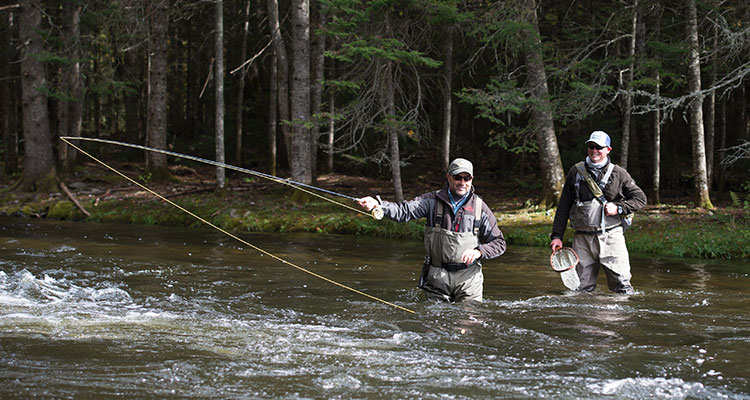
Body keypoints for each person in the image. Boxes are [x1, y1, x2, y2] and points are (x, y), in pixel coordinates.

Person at [357, 158, 506, 302]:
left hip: (469, 280)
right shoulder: (431, 201)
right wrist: (378, 205)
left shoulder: (480, 208)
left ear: (471, 179)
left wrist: (478, 251)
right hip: (437, 278)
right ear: (448, 177)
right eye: (457, 177)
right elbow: (403, 211)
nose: (462, 182)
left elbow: (499, 243)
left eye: (466, 178)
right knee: (435, 324)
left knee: (467, 322)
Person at [549, 131, 647, 294]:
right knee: (580, 289)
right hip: (581, 240)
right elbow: (564, 206)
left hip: (611, 236)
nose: (594, 150)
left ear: (608, 149)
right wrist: (557, 236)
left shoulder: (619, 174)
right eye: (591, 147)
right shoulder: (576, 171)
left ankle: (619, 318)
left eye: (598, 147)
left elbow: (640, 199)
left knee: (622, 287)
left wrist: (619, 208)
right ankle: (583, 319)